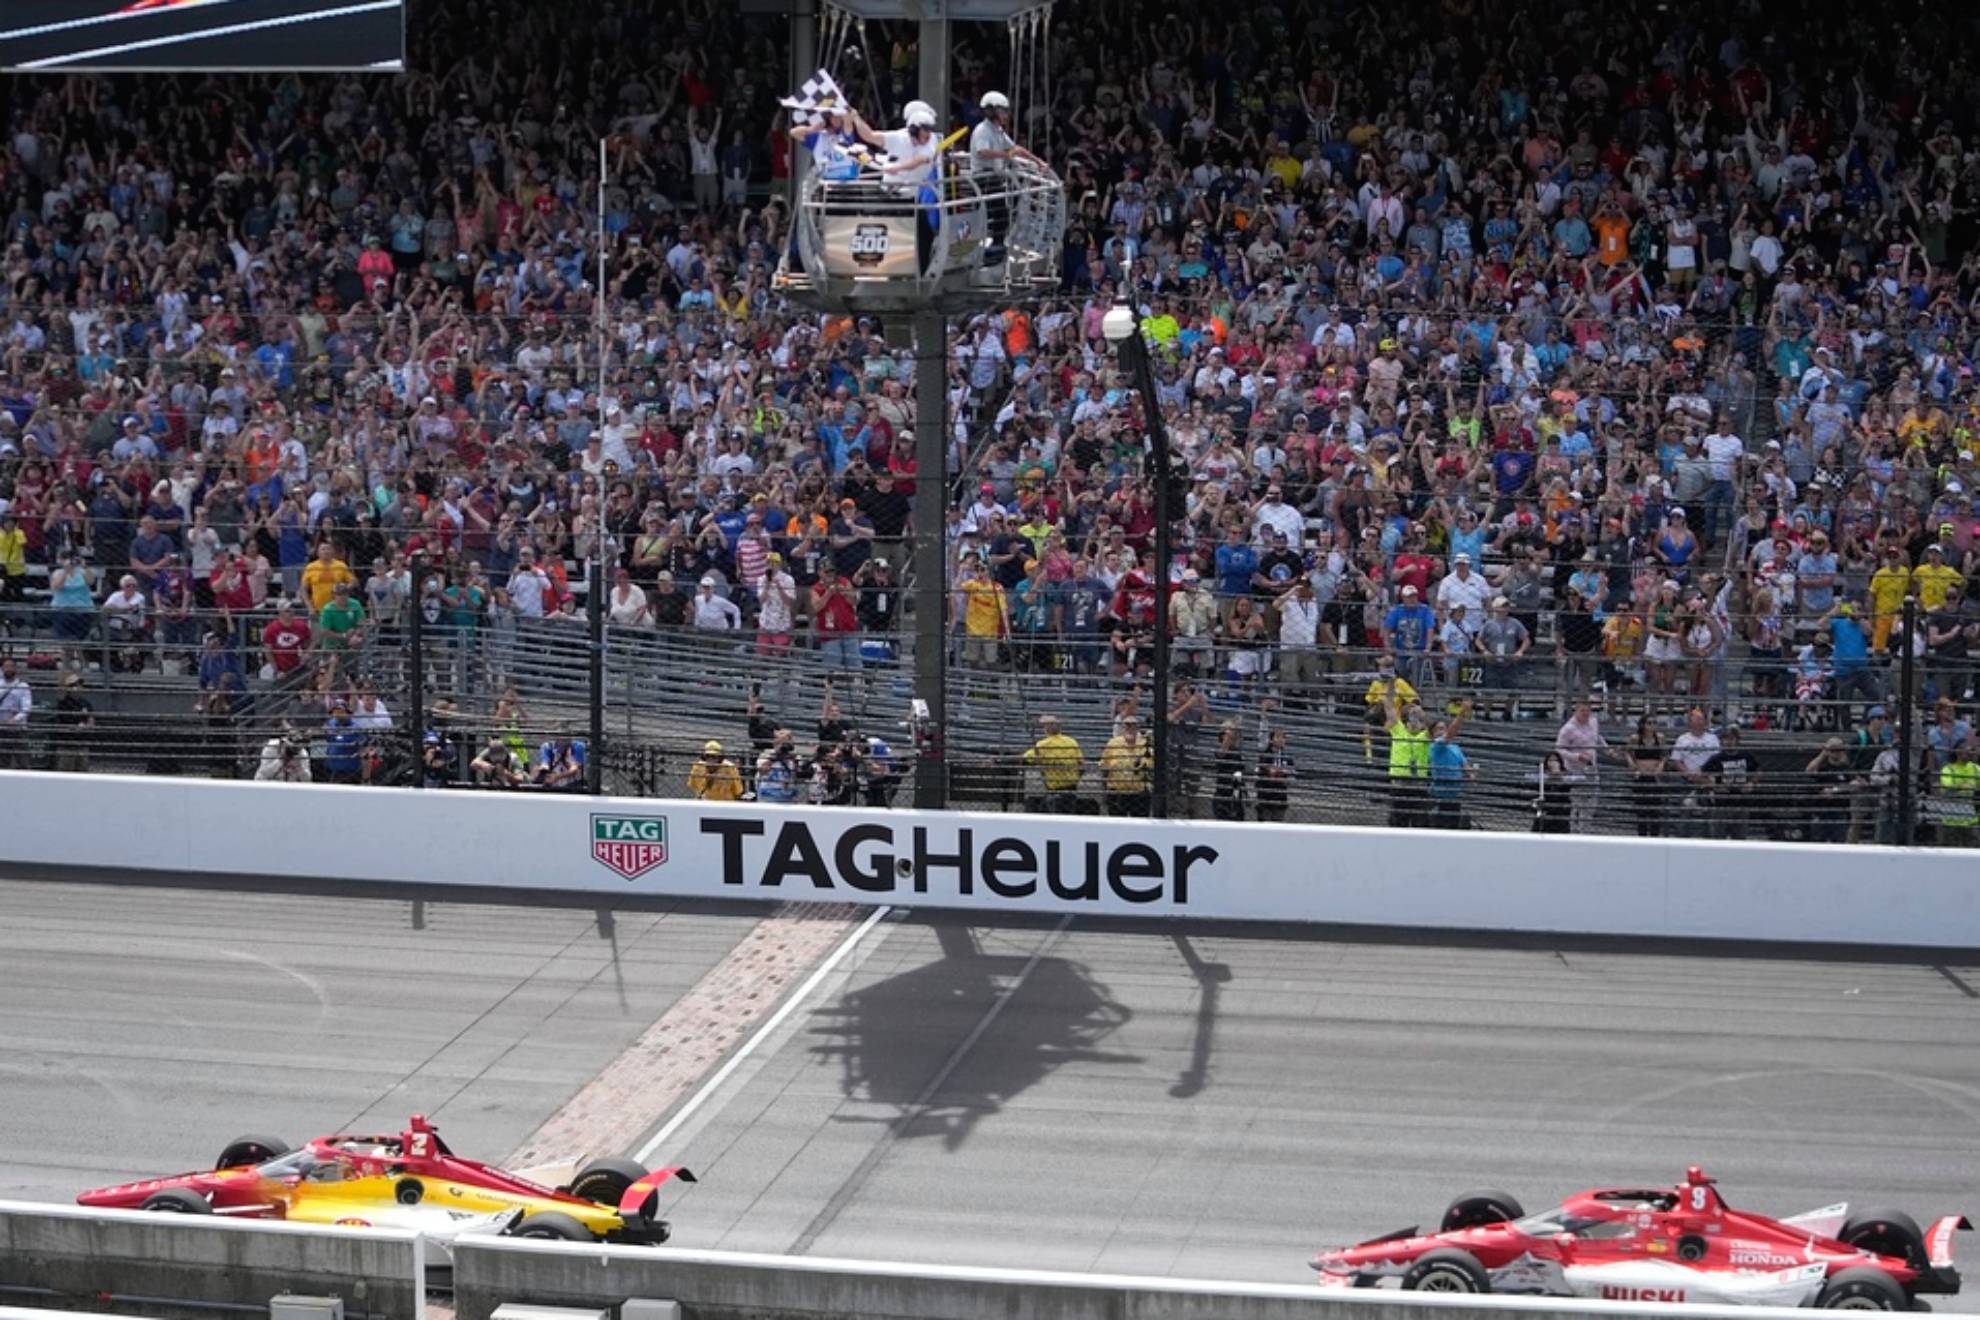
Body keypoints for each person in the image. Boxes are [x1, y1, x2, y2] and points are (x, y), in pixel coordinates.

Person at [1380, 688, 1431, 828]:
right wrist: (1390, 686)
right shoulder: (1398, 730)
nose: (1415, 723)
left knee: (1420, 822)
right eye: (1411, 718)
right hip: (1400, 784)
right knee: (1398, 821)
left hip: (1419, 785)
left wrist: (1421, 712)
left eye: (1417, 720)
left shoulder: (1424, 737)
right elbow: (1389, 708)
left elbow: (1432, 727)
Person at [1426, 699, 1474, 829]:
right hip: (1440, 795)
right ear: (1432, 734)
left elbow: (1464, 764)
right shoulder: (1435, 746)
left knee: (1453, 825)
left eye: (1444, 728)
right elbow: (1451, 733)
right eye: (1439, 729)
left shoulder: (1455, 747)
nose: (1442, 731)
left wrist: (1469, 773)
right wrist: (1462, 712)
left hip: (1455, 794)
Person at [1022, 714, 1084, 813]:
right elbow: (1081, 763)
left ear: (1046, 729)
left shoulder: (1043, 744)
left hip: (1055, 787)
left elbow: (1026, 758)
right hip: (1071, 785)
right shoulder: (1071, 741)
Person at [1099, 715, 1154, 816]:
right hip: (1117, 790)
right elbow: (1104, 766)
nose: (1130, 728)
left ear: (1137, 728)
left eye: (1133, 726)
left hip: (1139, 791)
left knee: (1140, 823)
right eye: (1127, 726)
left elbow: (1152, 766)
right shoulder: (1113, 743)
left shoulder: (1146, 743)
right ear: (1123, 728)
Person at [1940, 738, 1980, 847]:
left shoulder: (1976, 768)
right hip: (1951, 819)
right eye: (1965, 749)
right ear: (1957, 751)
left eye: (1970, 750)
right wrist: (1962, 786)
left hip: (1971, 820)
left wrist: (1974, 788)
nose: (1968, 752)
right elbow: (1946, 786)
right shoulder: (1948, 769)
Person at [1255, 729, 1295, 822]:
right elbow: (1262, 770)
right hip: (1265, 797)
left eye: (1283, 737)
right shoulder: (1265, 755)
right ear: (1271, 740)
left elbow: (1292, 774)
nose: (1281, 739)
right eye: (1278, 737)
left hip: (1280, 797)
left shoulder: (1287, 757)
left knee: (1278, 823)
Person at [0, 658, 31, 768]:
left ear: (16, 669)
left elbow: (26, 708)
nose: (8, 669)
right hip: (1, 729)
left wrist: (15, 719)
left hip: (18, 730)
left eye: (11, 666)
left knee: (23, 762)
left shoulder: (23, 686)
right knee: (2, 763)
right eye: (6, 666)